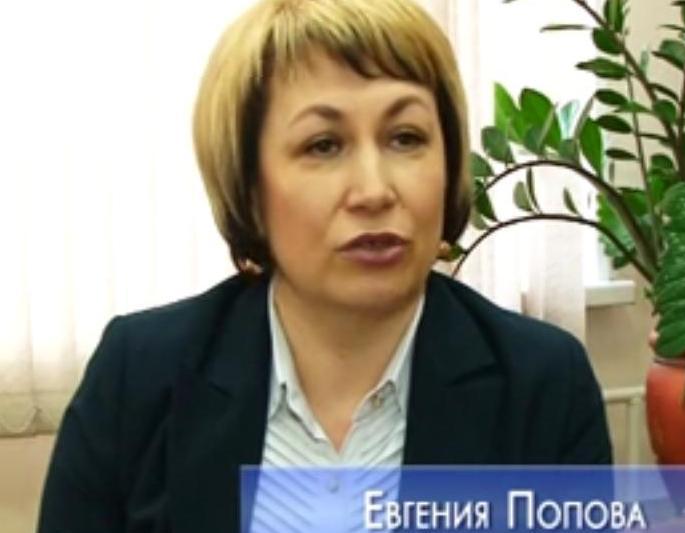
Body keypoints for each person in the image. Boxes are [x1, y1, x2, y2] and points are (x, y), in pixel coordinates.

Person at [37, 0, 612, 531]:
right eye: (323, 146)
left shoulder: (542, 383)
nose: (374, 190)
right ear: (250, 186)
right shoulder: (139, 375)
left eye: (405, 138)